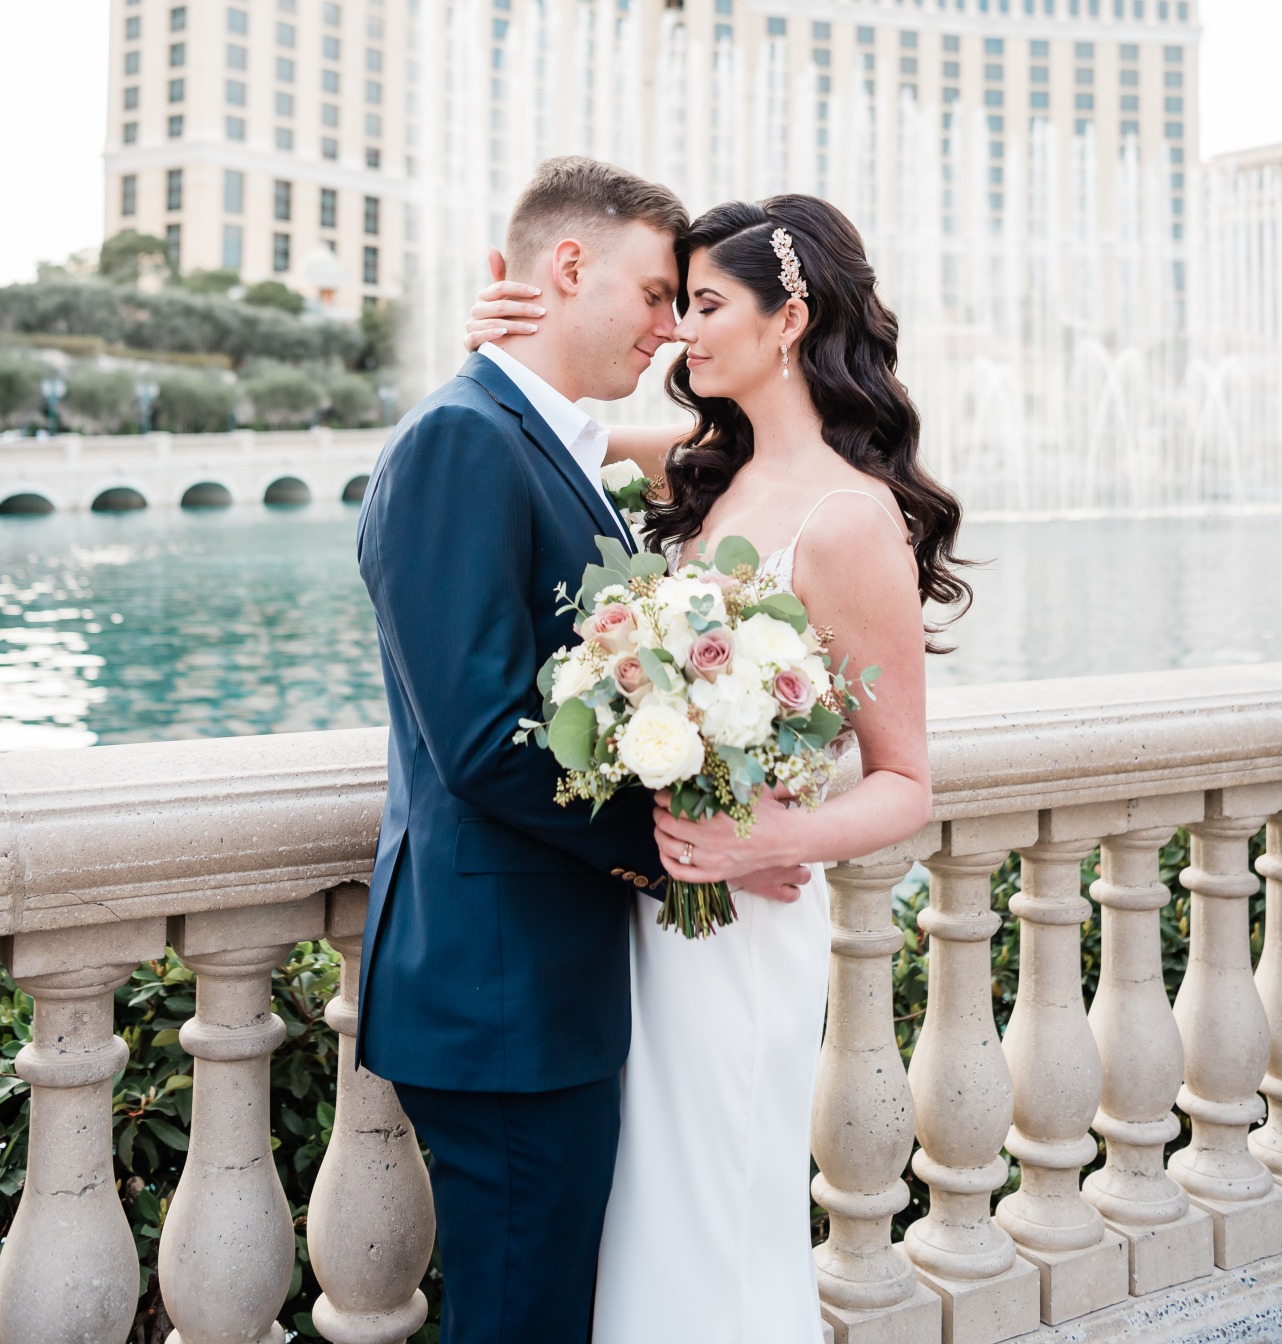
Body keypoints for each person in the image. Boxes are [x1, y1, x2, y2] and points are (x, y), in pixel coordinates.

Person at [465, 191, 968, 1342]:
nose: (680, 332)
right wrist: (496, 333)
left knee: (722, 1204)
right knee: (647, 1208)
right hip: (653, 906)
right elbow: (527, 429)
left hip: (748, 909)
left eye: (704, 304)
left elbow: (906, 780)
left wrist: (771, 839)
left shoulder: (851, 519)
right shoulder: (702, 462)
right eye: (674, 303)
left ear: (788, 319)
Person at [355, 157, 801, 1344]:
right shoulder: (462, 441)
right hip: (499, 997)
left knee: (544, 1309)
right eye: (657, 296)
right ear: (565, 268)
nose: (667, 330)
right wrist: (691, 850)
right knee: (522, 1321)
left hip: (539, 991)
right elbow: (485, 742)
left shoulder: (544, 440)